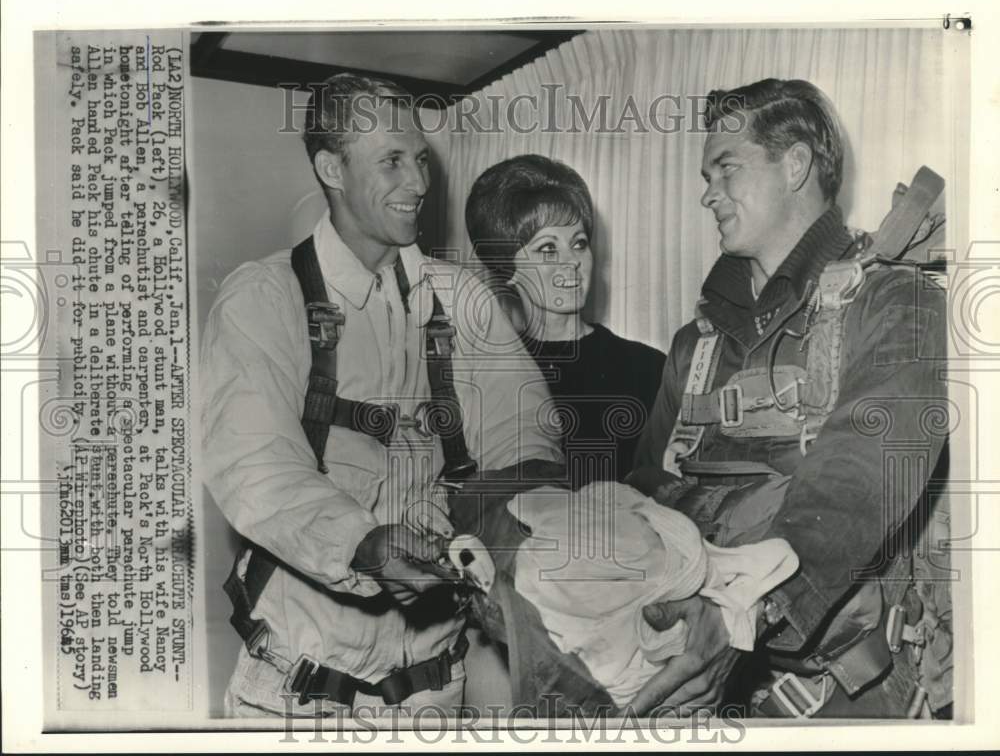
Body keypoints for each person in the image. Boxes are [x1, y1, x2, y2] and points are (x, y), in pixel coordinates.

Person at [201, 73, 563, 718]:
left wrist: (493, 524)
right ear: (331, 168)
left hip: (439, 693)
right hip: (298, 698)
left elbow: (526, 445)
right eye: (392, 161)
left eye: (420, 160)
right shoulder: (263, 298)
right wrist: (367, 545)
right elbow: (256, 469)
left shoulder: (465, 300)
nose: (420, 183)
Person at [625, 78, 950, 718]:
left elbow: (861, 476)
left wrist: (747, 606)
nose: (706, 193)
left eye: (727, 168)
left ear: (795, 164)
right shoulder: (697, 346)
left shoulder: (893, 303)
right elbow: (644, 487)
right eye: (704, 174)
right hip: (684, 679)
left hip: (837, 697)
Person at [465, 154, 665, 482]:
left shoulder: (648, 368)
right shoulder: (491, 376)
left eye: (579, 243)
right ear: (506, 267)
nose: (572, 262)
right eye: (548, 249)